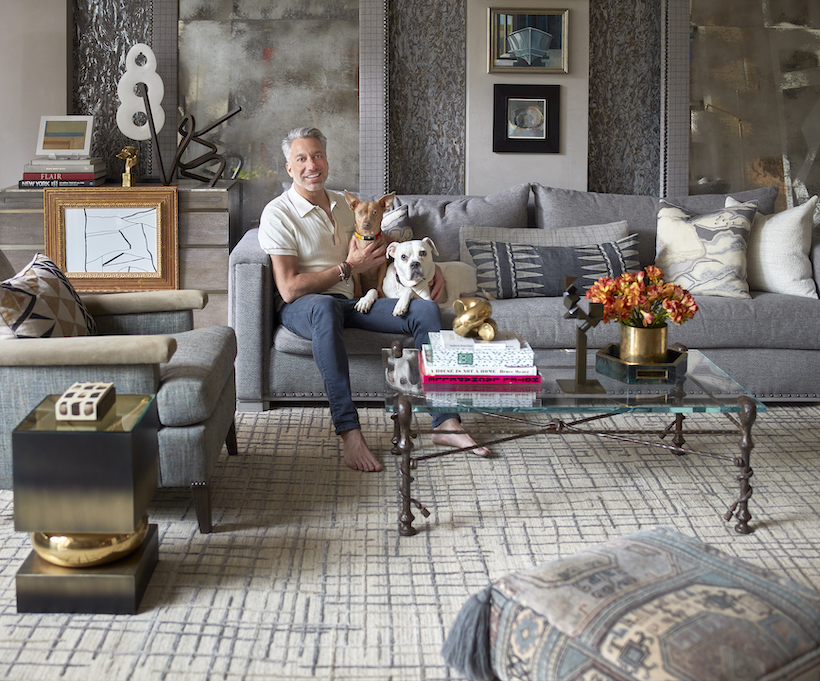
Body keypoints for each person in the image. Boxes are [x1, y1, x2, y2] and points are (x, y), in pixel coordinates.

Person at [258, 126, 488, 472]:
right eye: (301, 158)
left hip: (353, 302)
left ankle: (445, 421)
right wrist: (348, 267)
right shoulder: (278, 213)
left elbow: (400, 253)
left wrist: (431, 270)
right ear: (289, 168)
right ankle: (349, 431)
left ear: (327, 159)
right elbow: (289, 289)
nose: (312, 165)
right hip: (305, 307)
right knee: (322, 307)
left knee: (425, 309)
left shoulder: (345, 204)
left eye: (317, 155)